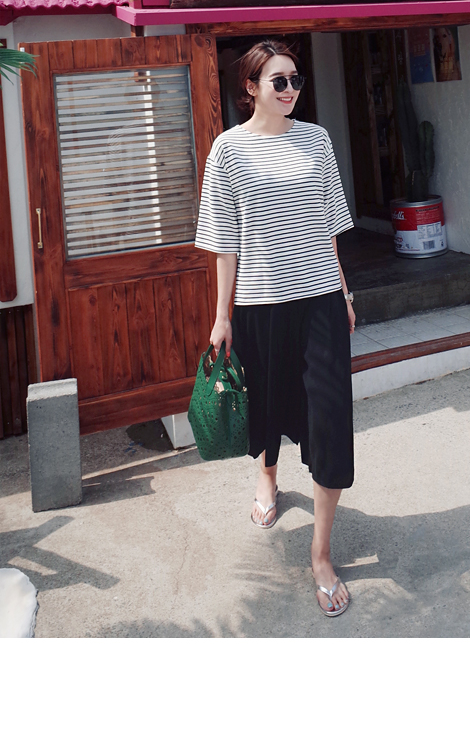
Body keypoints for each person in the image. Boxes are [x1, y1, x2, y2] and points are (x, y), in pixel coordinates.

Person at [195, 38, 356, 618]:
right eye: (278, 81)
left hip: (320, 301)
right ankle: (267, 477)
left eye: (296, 80)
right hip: (261, 305)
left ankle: (321, 554)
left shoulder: (317, 140)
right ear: (251, 88)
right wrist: (222, 317)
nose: (290, 90)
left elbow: (329, 225)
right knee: (268, 406)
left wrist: (344, 292)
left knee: (330, 420)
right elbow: (223, 241)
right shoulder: (228, 150)